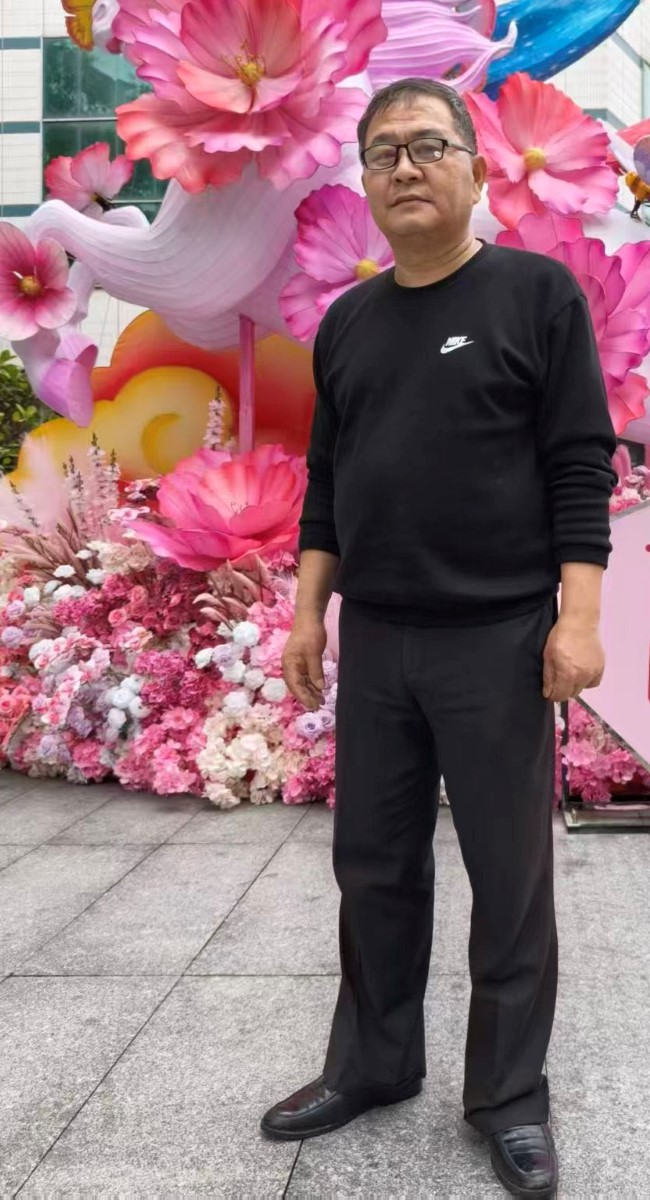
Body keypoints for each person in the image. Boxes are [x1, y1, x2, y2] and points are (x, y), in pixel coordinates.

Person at [261, 78, 617, 1197]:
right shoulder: (349, 321)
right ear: (365, 181)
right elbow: (328, 481)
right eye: (382, 152)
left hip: (497, 640)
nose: (404, 167)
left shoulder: (535, 295)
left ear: (473, 166)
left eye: (426, 145)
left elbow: (579, 464)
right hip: (378, 639)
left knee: (508, 878)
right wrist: (308, 610)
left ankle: (508, 1099)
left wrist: (577, 620)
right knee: (371, 865)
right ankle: (373, 1063)